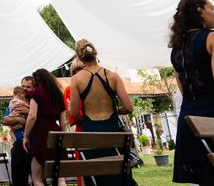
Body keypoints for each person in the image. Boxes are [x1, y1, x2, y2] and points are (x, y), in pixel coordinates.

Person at [168, 0, 214, 185]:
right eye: (212, 8)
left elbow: (183, 88)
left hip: (190, 123)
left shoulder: (176, 48)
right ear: (200, 10)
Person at [68, 39, 133, 186]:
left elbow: (72, 112)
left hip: (90, 132)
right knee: (118, 176)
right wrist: (116, 111)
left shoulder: (76, 80)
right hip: (112, 130)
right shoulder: (113, 76)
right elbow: (128, 108)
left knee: (96, 177)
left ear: (79, 57)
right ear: (95, 54)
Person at [23, 69, 67, 186]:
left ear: (37, 79)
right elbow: (63, 122)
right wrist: (63, 138)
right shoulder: (58, 94)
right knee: (60, 179)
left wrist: (25, 136)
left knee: (37, 179)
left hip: (41, 134)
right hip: (57, 134)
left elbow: (32, 116)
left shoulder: (36, 92)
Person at [62, 58, 84, 186]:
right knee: (82, 168)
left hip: (97, 131)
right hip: (82, 134)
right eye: (76, 72)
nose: (80, 75)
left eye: (82, 70)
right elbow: (75, 117)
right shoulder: (69, 90)